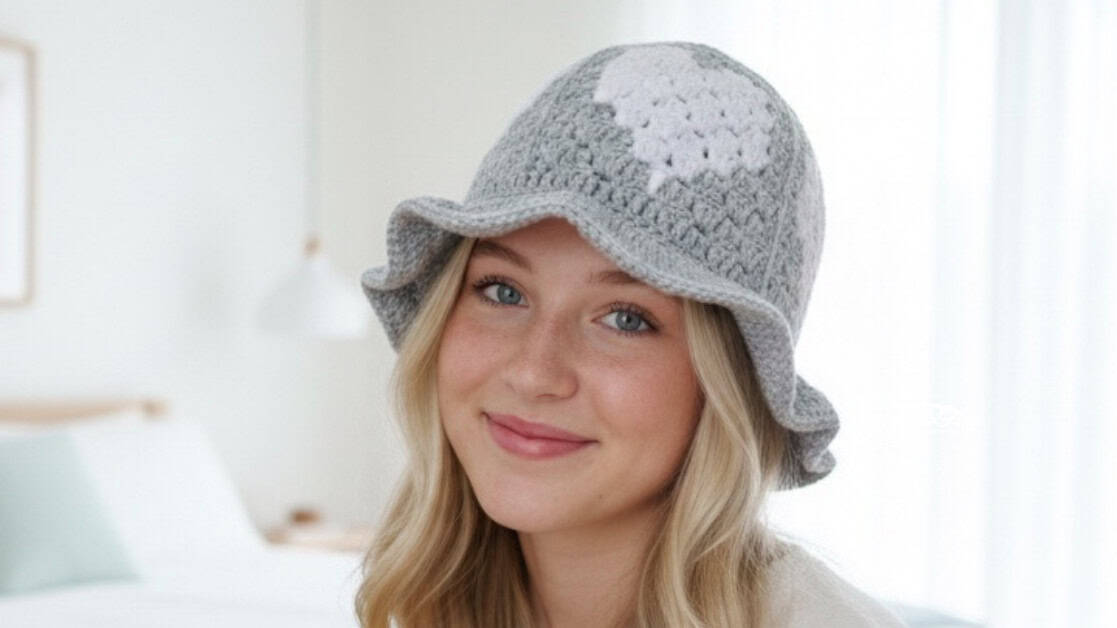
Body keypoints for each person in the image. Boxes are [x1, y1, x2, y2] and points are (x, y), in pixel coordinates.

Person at [356, 41, 907, 627]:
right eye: (502, 291)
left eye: (625, 318)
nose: (533, 372)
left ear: (727, 381)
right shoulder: (433, 606)